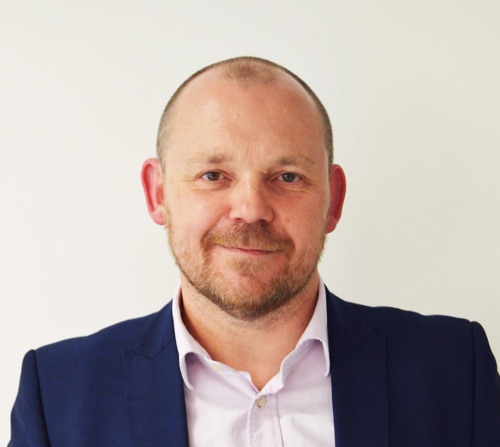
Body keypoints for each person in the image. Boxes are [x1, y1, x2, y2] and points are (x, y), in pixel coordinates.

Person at [9, 56, 500, 446]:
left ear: (334, 200)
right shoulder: (57, 398)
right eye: (212, 175)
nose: (250, 209)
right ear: (158, 194)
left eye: (287, 177)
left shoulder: (456, 372)